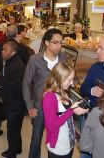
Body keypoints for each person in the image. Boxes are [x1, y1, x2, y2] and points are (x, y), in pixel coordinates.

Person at [23, 28, 68, 158]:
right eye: (56, 42)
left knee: (55, 135)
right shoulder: (35, 60)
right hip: (39, 106)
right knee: (36, 135)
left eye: (61, 42)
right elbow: (26, 82)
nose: (59, 45)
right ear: (47, 42)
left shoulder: (63, 58)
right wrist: (29, 105)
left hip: (58, 106)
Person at [0, 25, 29, 140]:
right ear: (17, 34)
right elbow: (26, 69)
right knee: (14, 114)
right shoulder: (22, 49)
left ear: (6, 34)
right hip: (15, 88)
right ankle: (14, 137)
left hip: (0, 84)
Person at [43, 62, 88, 158]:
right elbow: (51, 125)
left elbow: (64, 115)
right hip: (59, 147)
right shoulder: (49, 97)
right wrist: (72, 111)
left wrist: (76, 108)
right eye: (69, 80)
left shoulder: (63, 91)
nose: (72, 83)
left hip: (68, 143)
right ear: (59, 78)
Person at [0, 40, 26, 158]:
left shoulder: (16, 65)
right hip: (14, 102)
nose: (2, 51)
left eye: (6, 50)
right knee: (16, 128)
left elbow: (15, 86)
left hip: (15, 104)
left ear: (13, 52)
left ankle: (12, 153)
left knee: (12, 130)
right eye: (2, 49)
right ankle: (18, 148)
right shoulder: (11, 61)